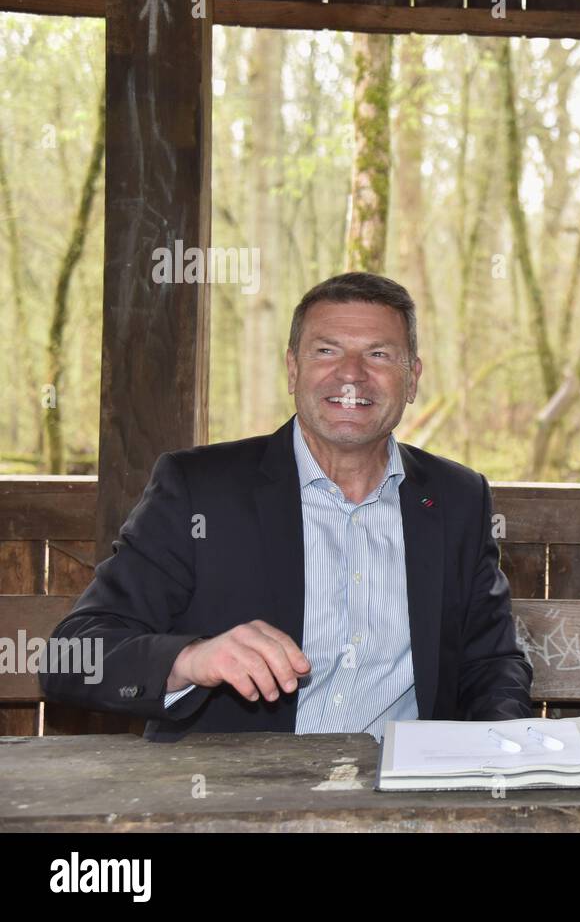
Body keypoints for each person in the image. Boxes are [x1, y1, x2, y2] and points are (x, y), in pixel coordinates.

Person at [41, 273, 531, 740]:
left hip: (398, 798)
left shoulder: (456, 497)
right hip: (234, 798)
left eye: (379, 354)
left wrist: (501, 756)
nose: (352, 375)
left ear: (412, 377)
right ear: (293, 369)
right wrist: (190, 659)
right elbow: (71, 656)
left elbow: (491, 663)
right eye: (326, 351)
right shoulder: (199, 490)